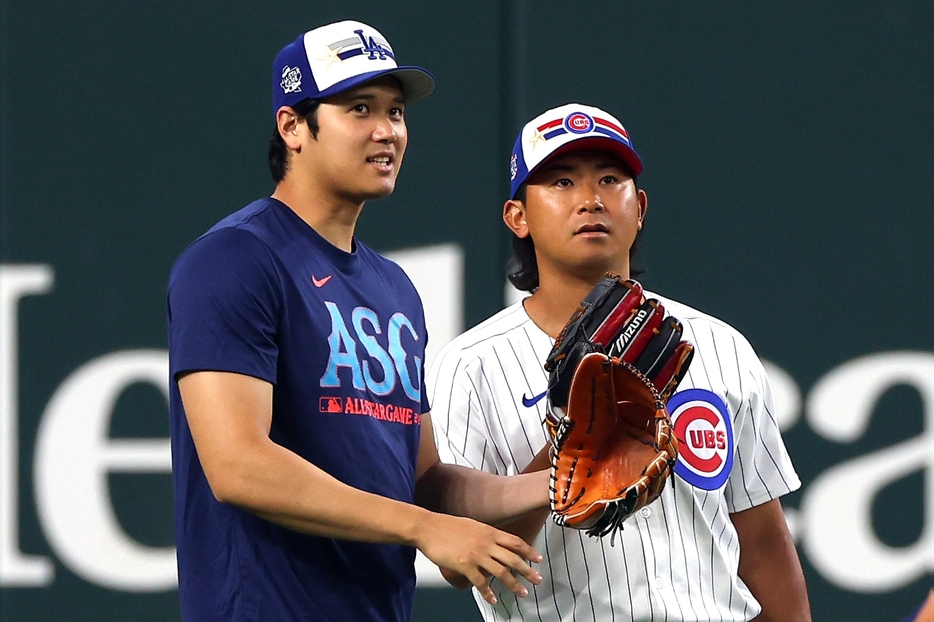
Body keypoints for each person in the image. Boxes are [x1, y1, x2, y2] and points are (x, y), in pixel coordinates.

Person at [167, 20, 549, 622]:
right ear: (293, 126)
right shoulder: (233, 260)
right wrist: (424, 528)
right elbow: (238, 466)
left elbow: (423, 479)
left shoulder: (393, 289)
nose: (387, 131)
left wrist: (555, 479)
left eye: (396, 112)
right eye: (359, 108)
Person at [427, 103, 812, 621]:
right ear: (517, 217)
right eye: (561, 182)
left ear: (640, 206)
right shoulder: (471, 364)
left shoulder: (718, 345)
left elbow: (763, 544)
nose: (590, 200)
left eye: (610, 179)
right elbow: (460, 564)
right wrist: (576, 439)